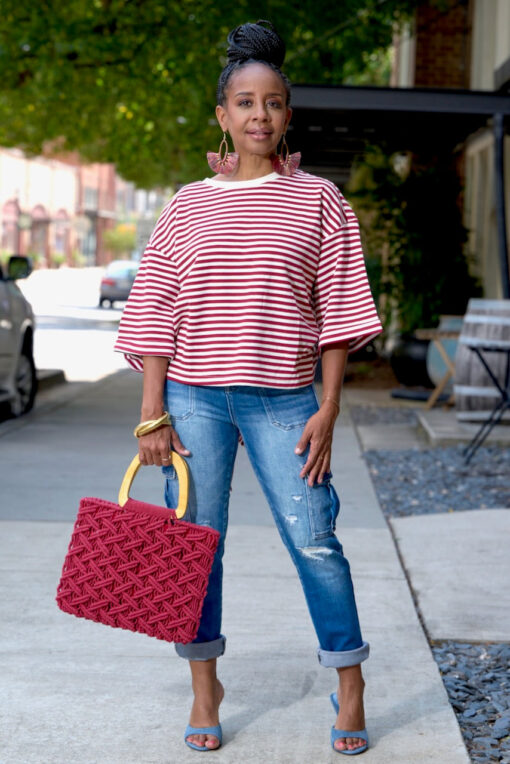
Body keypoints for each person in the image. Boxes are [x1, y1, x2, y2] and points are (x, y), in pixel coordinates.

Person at [115, 19, 382, 756]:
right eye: (244, 102)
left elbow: (339, 310)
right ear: (223, 115)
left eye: (272, 103)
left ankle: (349, 681)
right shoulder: (189, 203)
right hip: (195, 399)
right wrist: (152, 415)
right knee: (196, 547)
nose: (258, 115)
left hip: (287, 402)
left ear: (287, 115)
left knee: (316, 541)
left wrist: (329, 408)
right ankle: (206, 688)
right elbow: (157, 307)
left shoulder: (320, 200)